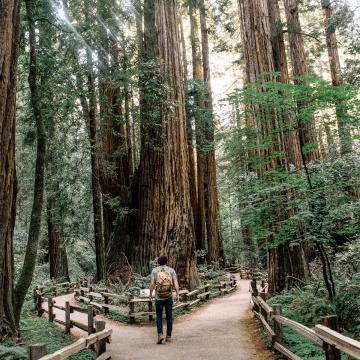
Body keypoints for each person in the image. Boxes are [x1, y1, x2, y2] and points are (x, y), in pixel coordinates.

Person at [149, 255, 179, 344]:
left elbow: (152, 284)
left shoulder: (154, 271)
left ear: (158, 261)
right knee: (169, 316)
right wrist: (177, 294)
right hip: (169, 297)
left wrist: (150, 295)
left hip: (159, 298)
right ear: (166, 261)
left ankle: (160, 334)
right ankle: (168, 336)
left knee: (159, 316)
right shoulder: (171, 270)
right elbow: (175, 282)